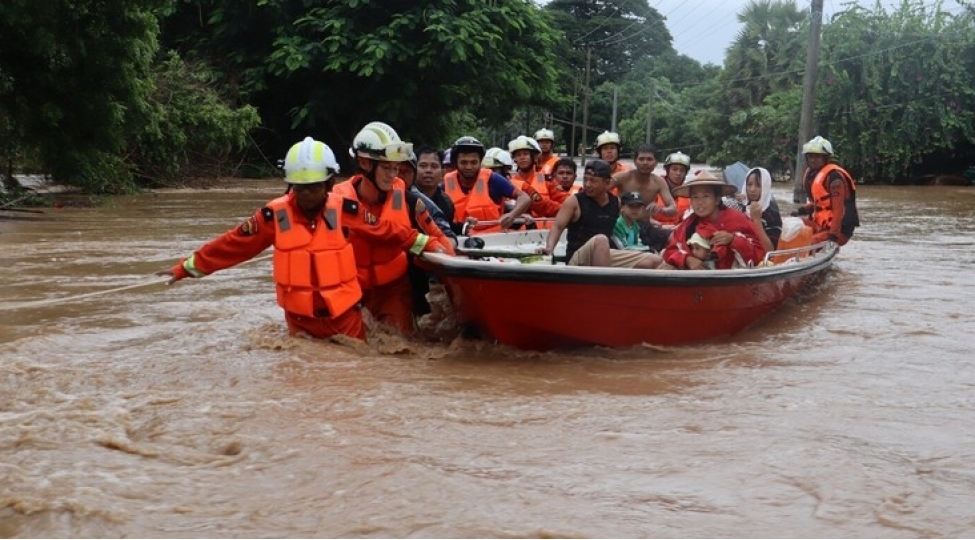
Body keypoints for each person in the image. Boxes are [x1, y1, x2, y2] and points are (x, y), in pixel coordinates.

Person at [156, 137, 367, 341]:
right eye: (299, 187)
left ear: (330, 183)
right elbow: (232, 245)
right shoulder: (272, 216)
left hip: (345, 321)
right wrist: (185, 268)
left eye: (313, 187)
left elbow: (385, 233)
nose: (305, 193)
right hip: (301, 325)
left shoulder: (348, 211)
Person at [333, 122, 450, 336]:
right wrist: (421, 242)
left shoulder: (407, 198)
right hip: (351, 291)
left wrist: (452, 260)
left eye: (396, 168)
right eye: (387, 167)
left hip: (393, 291)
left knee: (401, 346)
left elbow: (438, 236)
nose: (392, 175)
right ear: (364, 163)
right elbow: (376, 229)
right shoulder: (337, 200)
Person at [540, 160, 661, 269]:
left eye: (592, 181)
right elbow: (557, 227)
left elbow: (631, 220)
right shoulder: (574, 202)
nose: (587, 184)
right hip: (578, 257)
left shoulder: (616, 203)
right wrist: (549, 247)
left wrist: (652, 225)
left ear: (607, 182)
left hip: (605, 254)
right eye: (585, 179)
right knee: (601, 239)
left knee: (653, 260)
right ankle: (603, 289)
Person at [660, 170, 766, 270]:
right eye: (695, 197)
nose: (700, 202)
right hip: (695, 278)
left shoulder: (738, 219)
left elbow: (759, 254)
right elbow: (670, 251)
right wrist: (687, 259)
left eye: (706, 196)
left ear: (717, 200)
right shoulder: (688, 223)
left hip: (730, 278)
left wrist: (733, 239)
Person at [442, 136, 531, 235]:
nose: (469, 167)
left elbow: (525, 197)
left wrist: (512, 215)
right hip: (458, 240)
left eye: (474, 162)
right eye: (463, 162)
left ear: (480, 162)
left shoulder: (493, 179)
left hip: (491, 241)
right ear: (456, 163)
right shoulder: (445, 185)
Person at [794, 136, 860, 246]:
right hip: (820, 224)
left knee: (810, 242)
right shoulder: (813, 174)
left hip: (839, 230)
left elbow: (838, 209)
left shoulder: (835, 179)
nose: (812, 159)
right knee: (792, 225)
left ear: (826, 158)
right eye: (810, 156)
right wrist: (802, 210)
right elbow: (821, 202)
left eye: (817, 156)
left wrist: (833, 236)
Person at [611, 143, 675, 252]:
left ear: (656, 162)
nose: (645, 163)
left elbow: (673, 208)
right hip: (623, 226)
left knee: (675, 236)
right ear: (635, 161)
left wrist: (661, 209)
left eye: (649, 159)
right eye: (641, 159)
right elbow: (600, 188)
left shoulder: (658, 182)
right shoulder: (623, 177)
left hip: (646, 226)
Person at [508, 135, 563, 221]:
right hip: (518, 230)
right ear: (515, 159)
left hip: (545, 229)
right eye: (518, 155)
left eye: (525, 154)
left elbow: (564, 200)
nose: (522, 158)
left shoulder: (546, 180)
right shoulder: (510, 183)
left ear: (534, 157)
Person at [743, 166, 782, 252]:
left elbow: (771, 250)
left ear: (765, 187)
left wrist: (757, 220)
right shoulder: (742, 208)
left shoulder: (772, 213)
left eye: (758, 185)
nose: (752, 189)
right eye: (749, 184)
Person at [654, 151, 692, 226]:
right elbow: (642, 216)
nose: (678, 173)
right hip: (654, 229)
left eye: (682, 170)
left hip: (678, 230)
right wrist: (660, 226)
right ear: (667, 170)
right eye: (674, 169)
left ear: (686, 173)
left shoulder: (688, 192)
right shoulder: (653, 187)